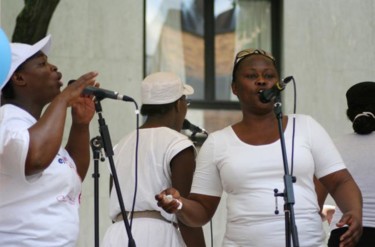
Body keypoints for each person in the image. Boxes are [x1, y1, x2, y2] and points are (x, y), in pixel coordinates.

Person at [155, 48, 363, 247]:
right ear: (234, 88)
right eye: (251, 75)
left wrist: (353, 211)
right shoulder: (218, 142)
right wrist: (180, 204)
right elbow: (201, 209)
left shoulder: (306, 127)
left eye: (269, 75)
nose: (262, 80)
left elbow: (340, 181)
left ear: (278, 84)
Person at [0, 35, 98, 246]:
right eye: (42, 64)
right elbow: (34, 160)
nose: (54, 68)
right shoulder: (8, 122)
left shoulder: (36, 128)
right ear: (18, 78)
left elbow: (73, 173)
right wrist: (63, 100)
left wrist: (80, 126)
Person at [102, 72, 205, 247]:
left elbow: (117, 198)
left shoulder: (121, 145)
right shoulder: (178, 144)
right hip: (159, 236)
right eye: (185, 102)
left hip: (118, 234)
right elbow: (184, 214)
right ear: (179, 105)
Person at [324, 81, 375, 246]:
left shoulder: (331, 145)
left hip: (344, 235)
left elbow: (311, 200)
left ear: (349, 112)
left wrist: (328, 210)